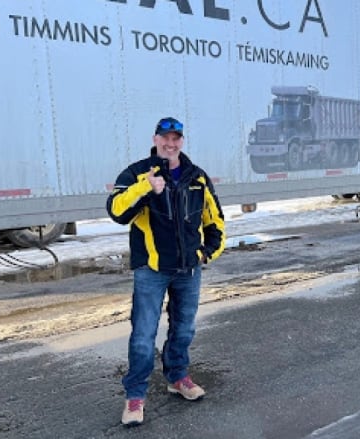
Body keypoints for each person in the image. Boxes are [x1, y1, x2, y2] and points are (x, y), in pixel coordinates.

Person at [106, 117, 226, 426]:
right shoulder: (137, 173)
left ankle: (177, 377)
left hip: (188, 270)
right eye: (165, 138)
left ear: (182, 141)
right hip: (152, 270)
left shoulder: (196, 177)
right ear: (155, 138)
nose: (170, 144)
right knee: (144, 335)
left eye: (176, 138)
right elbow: (116, 210)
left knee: (184, 330)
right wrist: (145, 187)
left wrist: (205, 253)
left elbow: (216, 222)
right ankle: (135, 396)